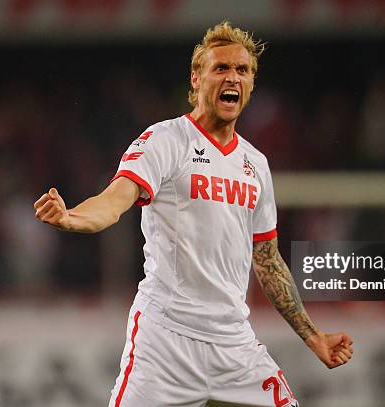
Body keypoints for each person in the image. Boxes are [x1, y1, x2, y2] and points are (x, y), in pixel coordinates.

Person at [34, 21, 353, 407]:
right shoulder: (166, 140)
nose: (232, 77)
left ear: (251, 85)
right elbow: (115, 199)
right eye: (220, 68)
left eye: (243, 70)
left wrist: (313, 335)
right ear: (196, 77)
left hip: (234, 345)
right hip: (166, 342)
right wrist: (72, 217)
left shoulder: (256, 164)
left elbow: (268, 261)